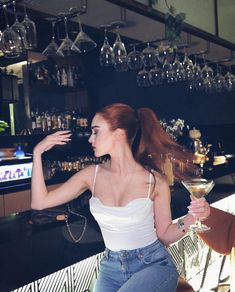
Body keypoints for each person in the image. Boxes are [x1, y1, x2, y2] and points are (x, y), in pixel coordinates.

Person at [31, 103, 210, 292]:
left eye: (96, 132)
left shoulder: (155, 181)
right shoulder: (91, 175)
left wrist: (192, 218)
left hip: (153, 265)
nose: (90, 139)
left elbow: (164, 235)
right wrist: (37, 153)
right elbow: (40, 202)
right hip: (111, 267)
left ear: (119, 133)